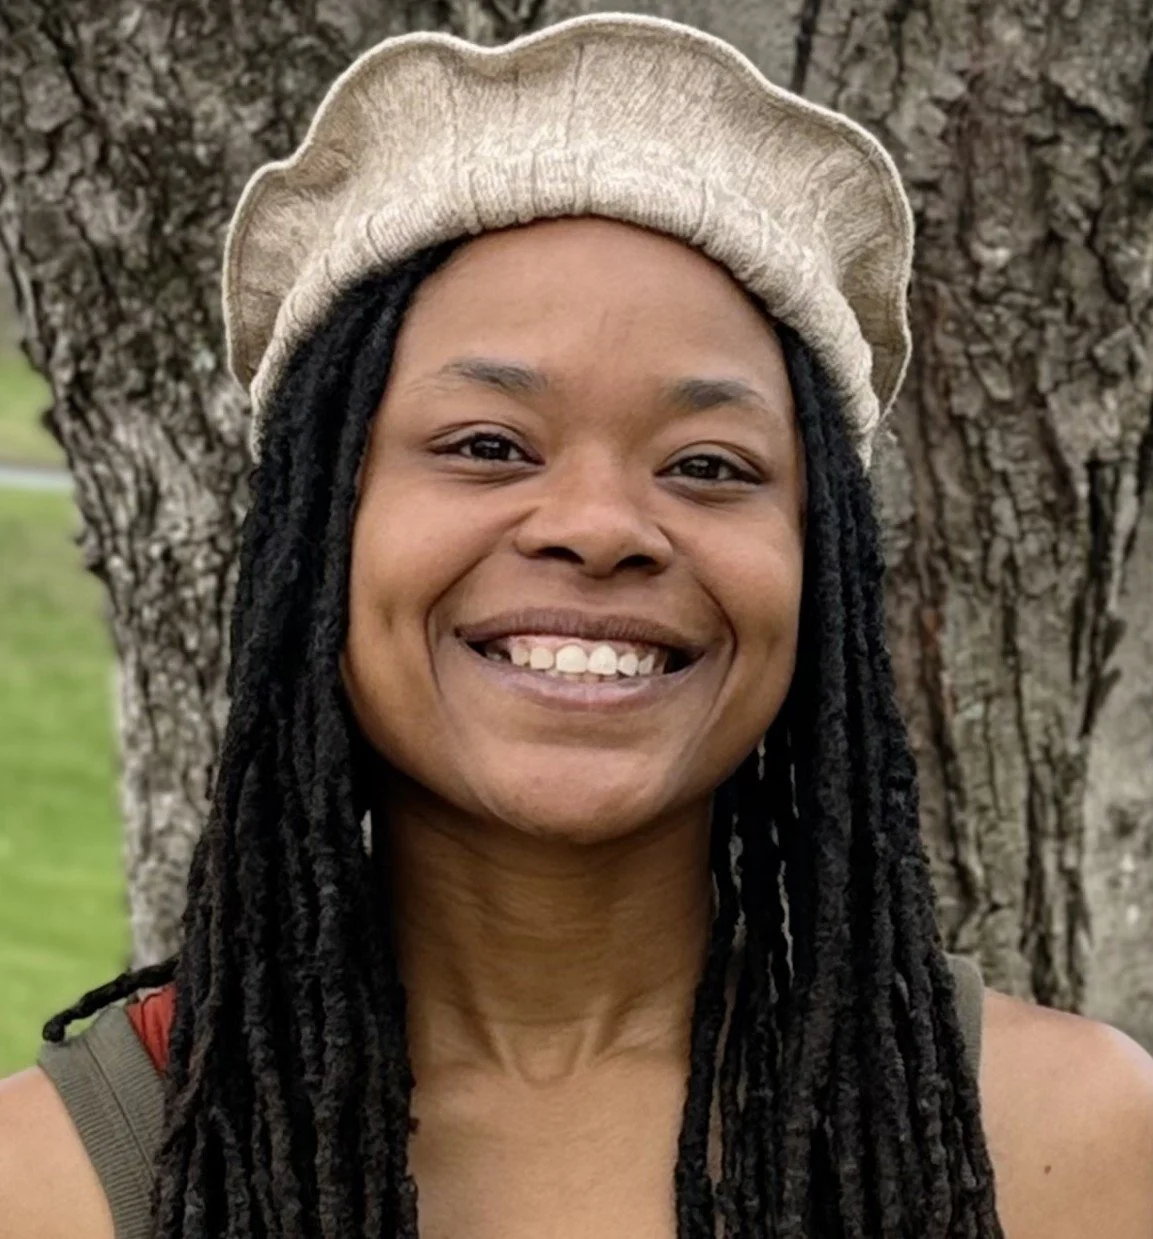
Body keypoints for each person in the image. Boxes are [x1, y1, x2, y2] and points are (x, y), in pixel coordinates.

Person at [1, 12, 1151, 1239]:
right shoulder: (58, 1182)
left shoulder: (1065, 1145)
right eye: (487, 446)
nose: (601, 526)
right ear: (316, 538)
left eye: (709, 465)